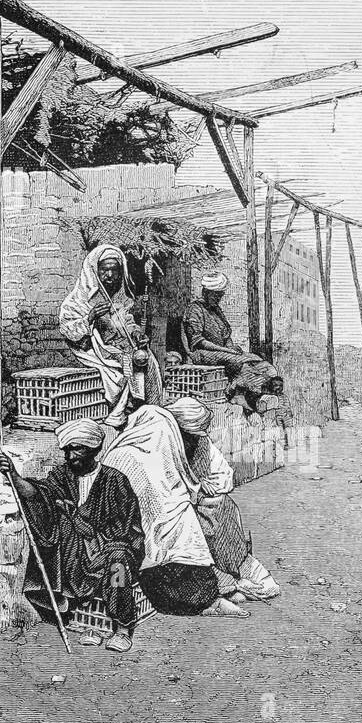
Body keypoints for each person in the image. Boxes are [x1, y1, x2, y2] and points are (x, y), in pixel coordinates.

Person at [0, 419, 145, 653]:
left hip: (111, 547)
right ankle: (89, 622)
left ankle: (123, 628)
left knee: (117, 564)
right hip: (76, 552)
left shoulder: (115, 481)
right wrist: (14, 476)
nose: (70, 456)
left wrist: (90, 531)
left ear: (94, 450)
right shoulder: (62, 475)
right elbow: (40, 496)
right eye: (67, 450)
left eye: (78, 449)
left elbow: (125, 528)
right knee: (61, 536)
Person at [102, 403, 246, 617]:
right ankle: (209, 599)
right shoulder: (130, 456)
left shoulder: (154, 449)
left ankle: (221, 587)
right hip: (132, 539)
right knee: (184, 529)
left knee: (209, 515)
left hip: (148, 538)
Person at [166, 396, 280, 602]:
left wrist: (207, 489)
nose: (195, 439)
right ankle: (224, 581)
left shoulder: (201, 443)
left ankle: (242, 568)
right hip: (175, 505)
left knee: (226, 508)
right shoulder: (165, 444)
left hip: (199, 499)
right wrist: (196, 489)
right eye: (191, 434)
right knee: (198, 522)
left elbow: (224, 475)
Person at [59, 243, 163, 423]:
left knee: (147, 358)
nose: (109, 276)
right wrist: (90, 317)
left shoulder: (118, 297)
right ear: (94, 271)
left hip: (114, 346)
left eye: (114, 270)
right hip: (90, 350)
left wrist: (136, 334)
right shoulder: (76, 300)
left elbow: (127, 322)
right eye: (104, 270)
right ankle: (121, 411)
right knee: (127, 361)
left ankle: (150, 408)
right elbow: (68, 330)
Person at [183, 272, 283, 414]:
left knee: (259, 362)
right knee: (239, 363)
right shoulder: (195, 309)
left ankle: (252, 394)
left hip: (222, 351)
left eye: (220, 295)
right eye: (215, 295)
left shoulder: (216, 310)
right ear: (206, 292)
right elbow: (199, 342)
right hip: (202, 353)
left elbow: (226, 335)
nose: (218, 299)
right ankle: (244, 396)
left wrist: (230, 346)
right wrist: (227, 351)